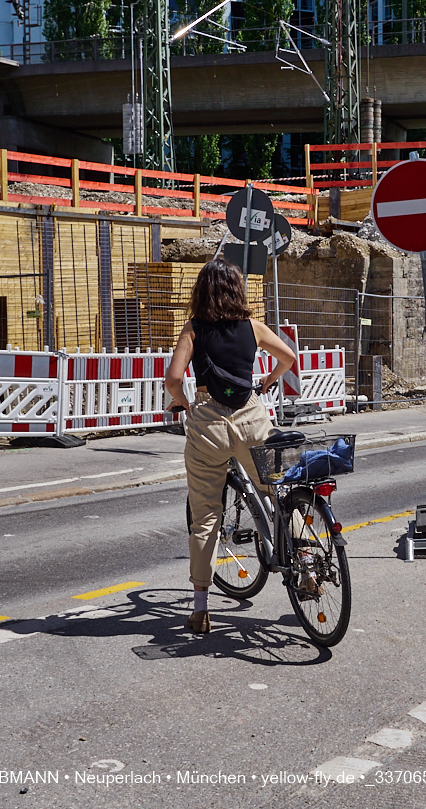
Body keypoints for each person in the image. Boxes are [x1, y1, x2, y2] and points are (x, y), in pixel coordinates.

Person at [164, 260, 295, 634]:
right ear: (237, 290)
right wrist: (269, 380)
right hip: (251, 417)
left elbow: (173, 378)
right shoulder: (252, 327)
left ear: (201, 291)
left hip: (208, 420)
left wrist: (184, 403)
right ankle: (304, 564)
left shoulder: (193, 329)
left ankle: (201, 609)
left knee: (206, 514)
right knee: (279, 490)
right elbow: (288, 356)